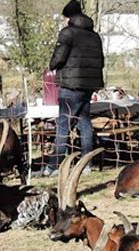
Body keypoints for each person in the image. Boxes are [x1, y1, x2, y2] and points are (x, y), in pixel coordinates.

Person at [43, 0, 104, 177]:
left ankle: (55, 165)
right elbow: (101, 61)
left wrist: (51, 65)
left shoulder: (67, 33)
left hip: (70, 84)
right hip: (89, 85)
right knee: (84, 123)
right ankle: (86, 164)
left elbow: (59, 58)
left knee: (63, 124)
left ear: (68, 17)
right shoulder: (94, 36)